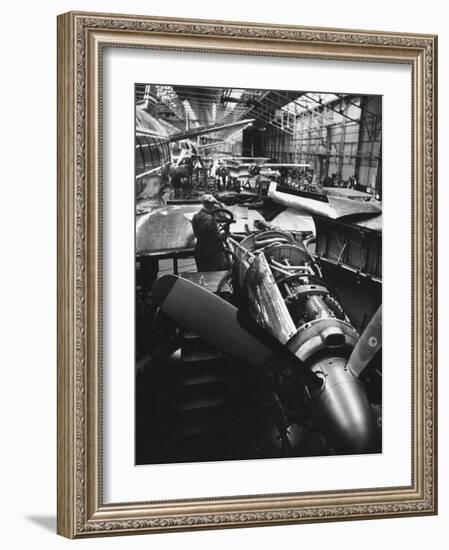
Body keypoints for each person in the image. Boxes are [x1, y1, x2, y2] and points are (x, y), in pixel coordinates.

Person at [191, 194, 228, 272]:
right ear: (210, 205)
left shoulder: (195, 216)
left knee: (203, 276)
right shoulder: (210, 220)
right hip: (211, 254)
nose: (214, 206)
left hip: (199, 251)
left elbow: (198, 234)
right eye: (213, 204)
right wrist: (226, 231)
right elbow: (218, 239)